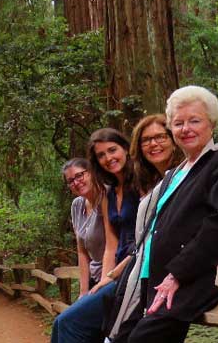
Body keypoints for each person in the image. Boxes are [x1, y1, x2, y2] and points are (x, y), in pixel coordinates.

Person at [128, 86, 218, 342]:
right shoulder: (180, 172)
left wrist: (178, 274)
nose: (186, 129)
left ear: (211, 123)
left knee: (142, 339)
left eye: (195, 121)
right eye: (178, 123)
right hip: (166, 280)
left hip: (200, 277)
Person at [105, 114, 181, 341]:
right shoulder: (150, 184)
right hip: (143, 273)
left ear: (173, 138)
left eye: (160, 137)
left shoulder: (184, 176)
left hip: (170, 275)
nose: (153, 144)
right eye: (146, 140)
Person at [50, 158, 119, 343]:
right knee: (60, 324)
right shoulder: (77, 205)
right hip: (94, 279)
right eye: (71, 180)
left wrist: (103, 284)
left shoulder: (107, 196)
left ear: (92, 172)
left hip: (114, 277)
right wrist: (83, 291)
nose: (76, 182)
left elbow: (111, 246)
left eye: (80, 175)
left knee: (66, 323)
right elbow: (82, 251)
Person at [88, 128, 138, 267]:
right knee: (95, 290)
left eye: (112, 150)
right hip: (119, 263)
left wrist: (115, 274)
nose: (108, 158)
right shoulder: (108, 194)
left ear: (126, 149)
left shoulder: (141, 182)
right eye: (101, 155)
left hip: (138, 260)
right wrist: (105, 279)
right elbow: (111, 245)